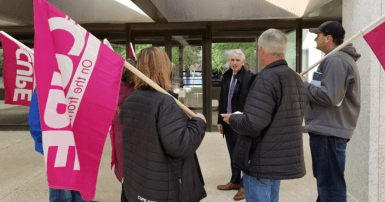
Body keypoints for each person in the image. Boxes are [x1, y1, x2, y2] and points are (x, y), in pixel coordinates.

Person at [222, 29, 307, 202]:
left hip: (261, 159)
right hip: (278, 157)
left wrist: (233, 119)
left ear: (261, 50)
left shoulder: (265, 78)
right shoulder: (296, 78)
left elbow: (253, 123)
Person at [120, 47, 207, 202]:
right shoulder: (165, 103)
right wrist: (199, 122)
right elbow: (181, 146)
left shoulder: (129, 101)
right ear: (165, 68)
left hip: (137, 183)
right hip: (161, 189)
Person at [300, 21, 361, 202]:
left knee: (331, 187)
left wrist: (303, 84)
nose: (315, 38)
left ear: (328, 38)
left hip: (328, 133)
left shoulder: (336, 60)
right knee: (327, 184)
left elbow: (329, 97)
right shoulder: (333, 58)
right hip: (327, 131)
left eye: (318, 35)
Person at [28, 89, 92, 202]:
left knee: (81, 192)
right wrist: (45, 142)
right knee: (63, 193)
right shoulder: (47, 83)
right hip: (58, 147)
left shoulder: (82, 83)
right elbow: (35, 117)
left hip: (80, 146)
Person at [216, 49, 254, 200]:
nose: (234, 63)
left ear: (243, 62)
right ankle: (235, 181)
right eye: (232, 60)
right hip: (227, 122)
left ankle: (245, 187)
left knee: (243, 154)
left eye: (238, 60)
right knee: (232, 153)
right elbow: (222, 99)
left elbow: (251, 102)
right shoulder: (226, 76)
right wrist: (220, 121)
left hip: (242, 122)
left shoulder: (250, 78)